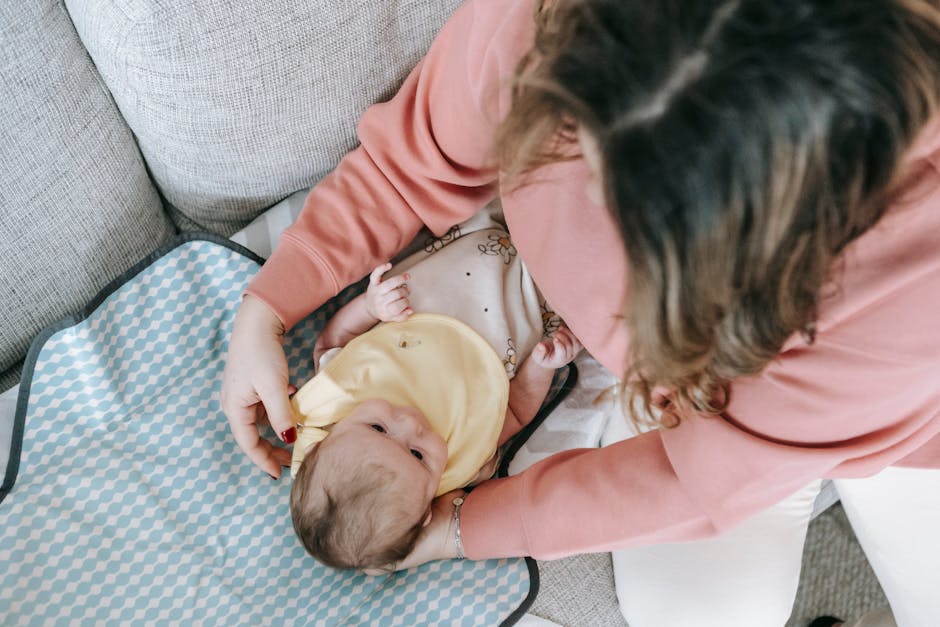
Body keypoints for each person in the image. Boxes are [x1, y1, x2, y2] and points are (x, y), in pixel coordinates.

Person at [221, 0, 940, 625]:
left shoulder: (902, 279)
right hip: (702, 402)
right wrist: (270, 304)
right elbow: (411, 164)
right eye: (575, 140)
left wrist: (467, 525)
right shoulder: (554, 22)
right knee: (703, 612)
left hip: (904, 419)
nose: (587, 205)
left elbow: (700, 480)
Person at [287, 219, 582, 571]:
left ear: (329, 434)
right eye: (417, 454)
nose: (411, 424)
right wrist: (544, 365)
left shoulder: (334, 397)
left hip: (457, 260)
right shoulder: (462, 462)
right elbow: (515, 411)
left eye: (378, 428)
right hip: (527, 298)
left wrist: (370, 309)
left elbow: (331, 342)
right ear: (429, 510)